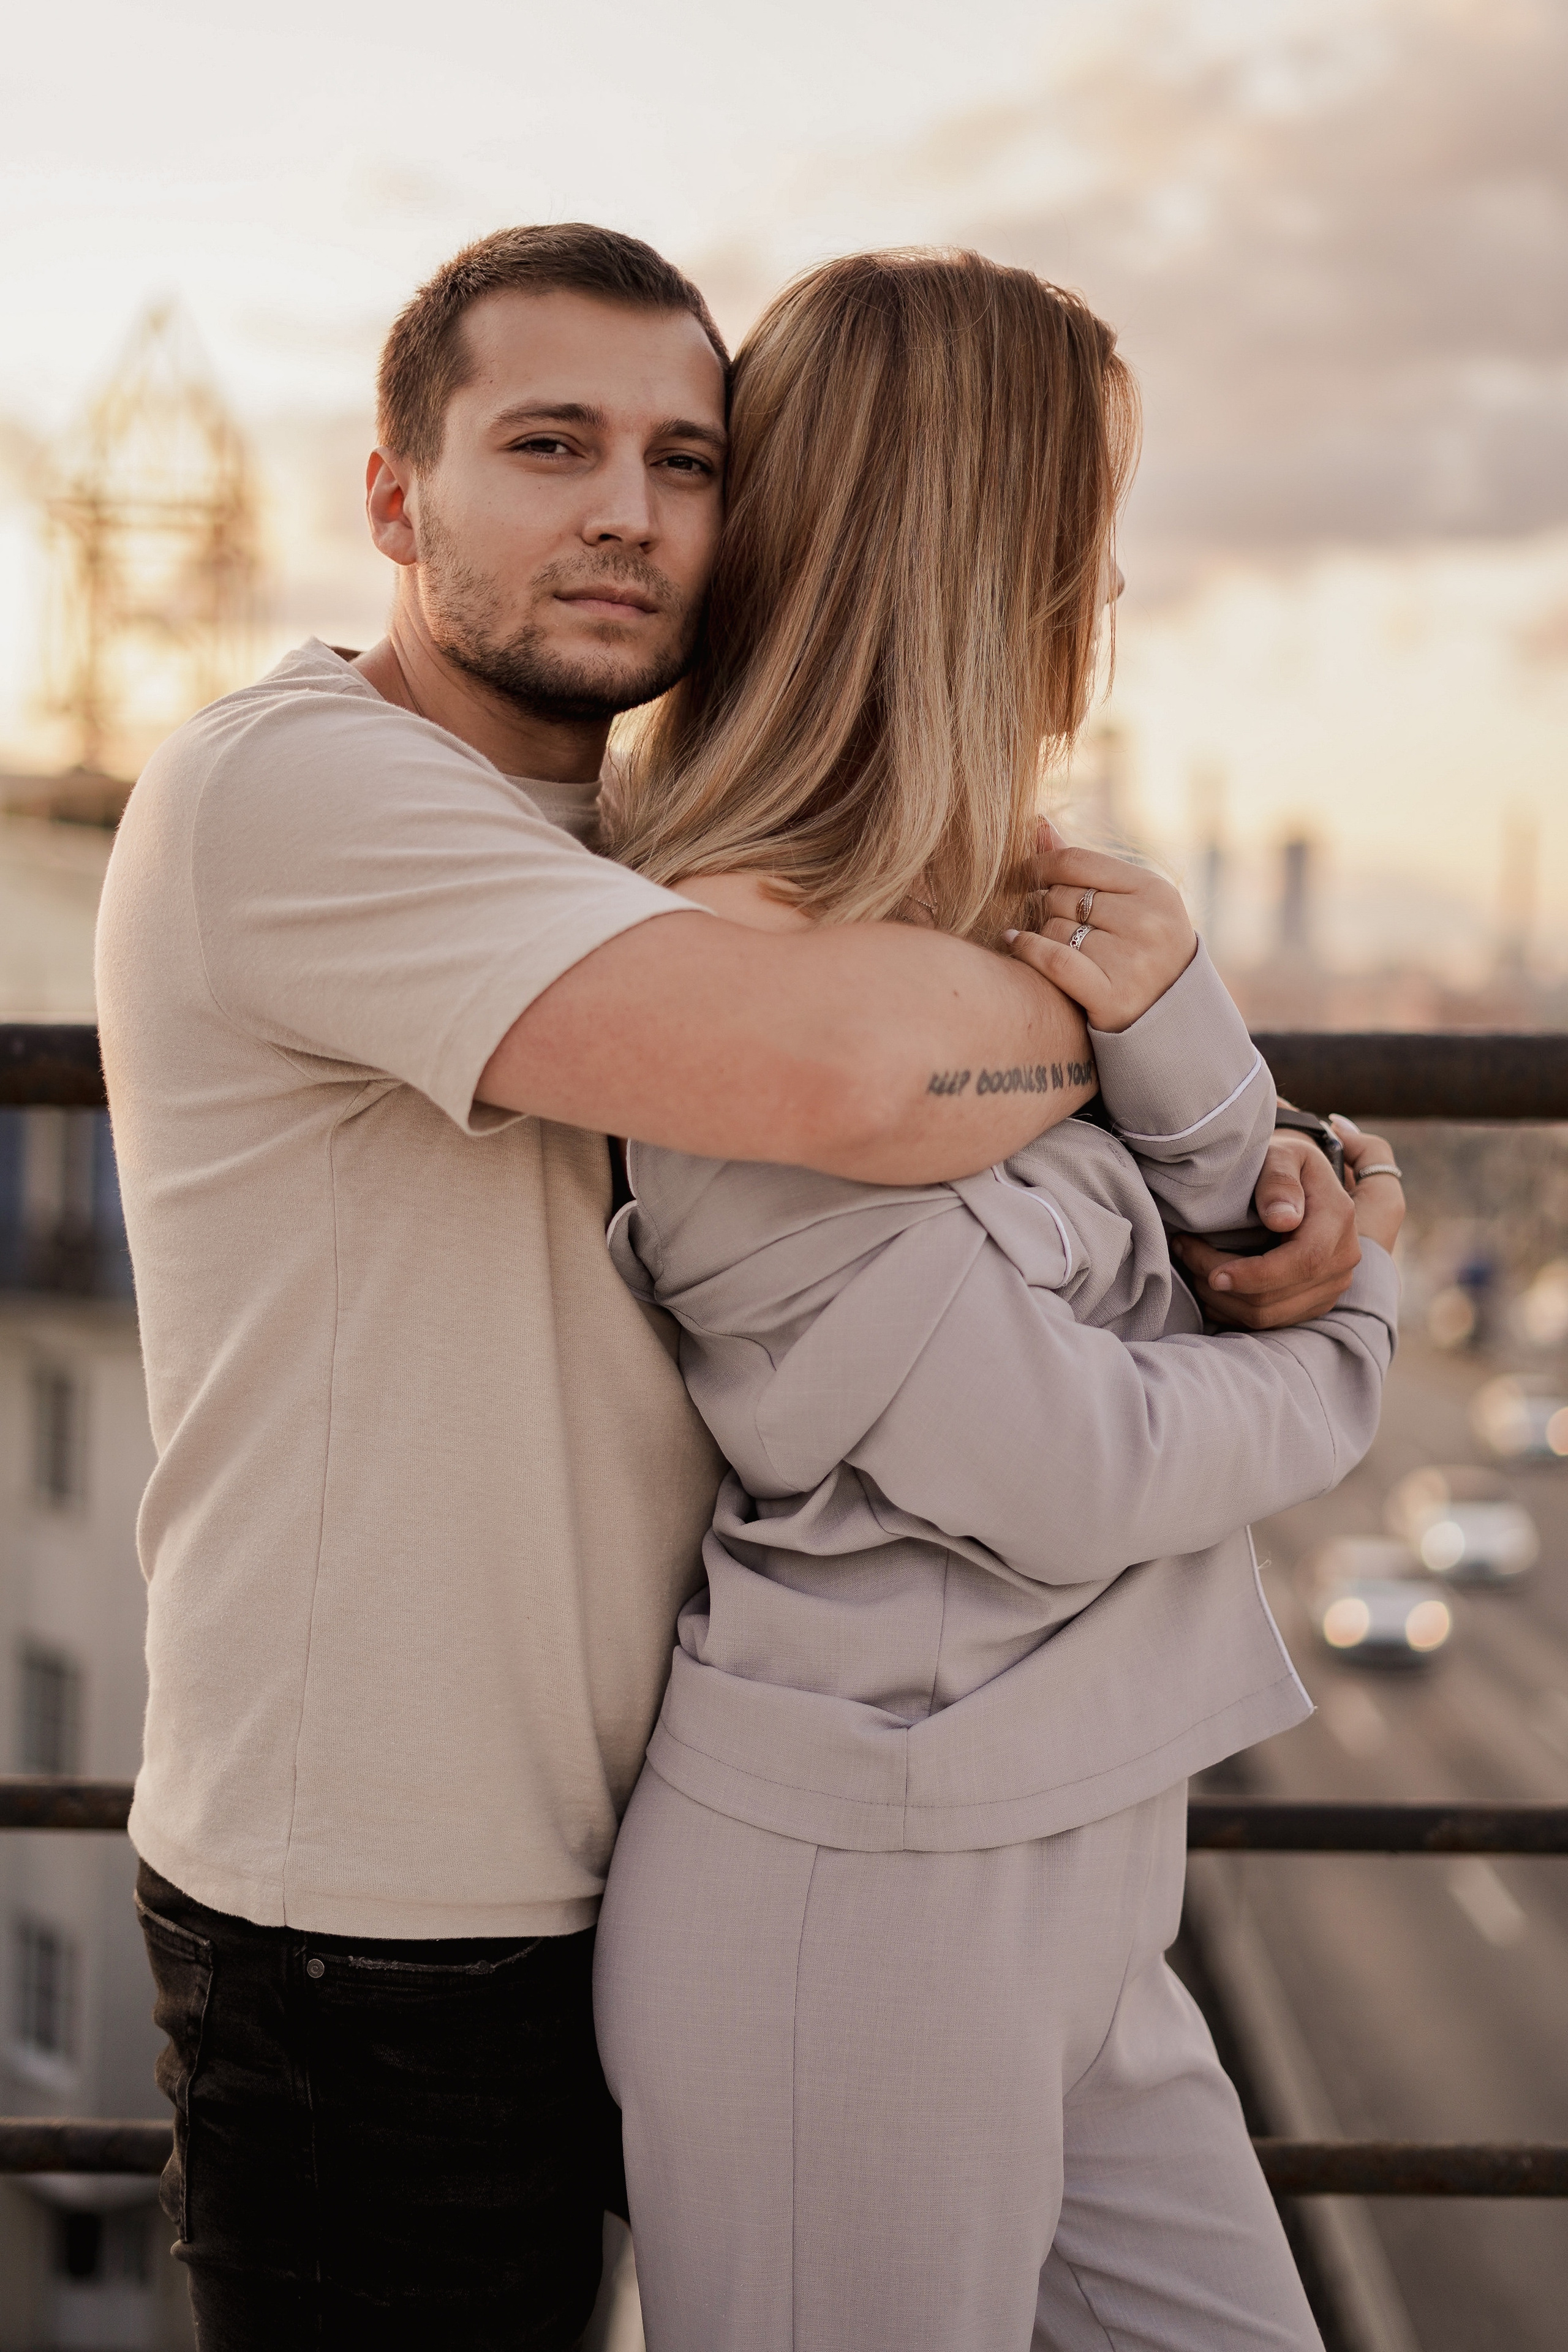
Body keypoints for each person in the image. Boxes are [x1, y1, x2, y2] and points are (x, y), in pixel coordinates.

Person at [96, 223, 1356, 2348]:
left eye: (689, 462)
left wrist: (1272, 1127)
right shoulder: (289, 793)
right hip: (379, 1917)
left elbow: (889, 1026)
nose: (628, 512)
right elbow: (860, 1070)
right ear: (394, 496)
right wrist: (1153, 1039)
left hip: (656, 1832)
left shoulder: (627, 849)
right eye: (551, 444)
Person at [594, 249, 1405, 2352]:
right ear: (973, 559)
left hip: (1083, 1859)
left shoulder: (1018, 913)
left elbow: (1237, 1212)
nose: (1105, 600)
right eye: (1084, 537)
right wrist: (1352, 1341)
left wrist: (1224, 1088)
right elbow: (1071, 1461)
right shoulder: (722, 992)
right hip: (863, 1899)